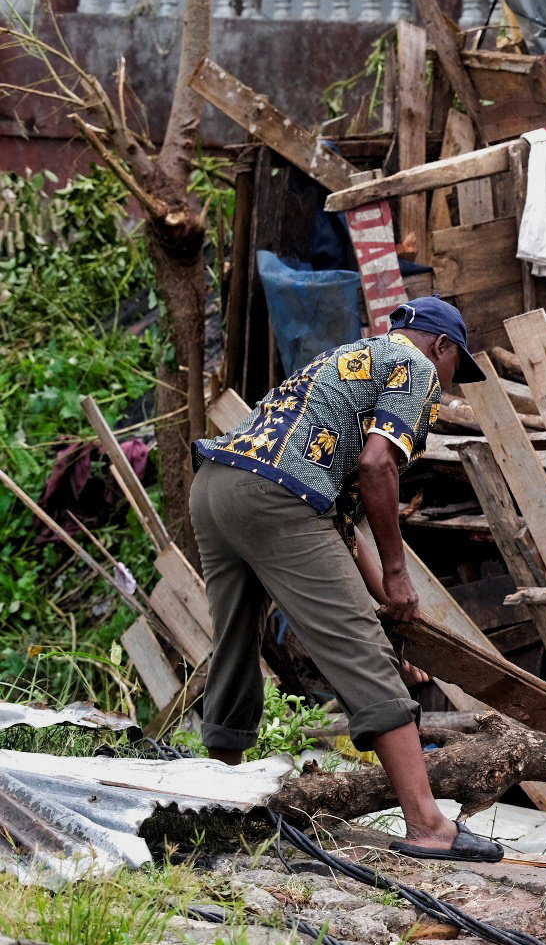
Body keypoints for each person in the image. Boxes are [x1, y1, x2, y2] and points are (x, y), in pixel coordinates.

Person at [190, 296, 502, 862]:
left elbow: (340, 524)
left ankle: (215, 805)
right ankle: (430, 826)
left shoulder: (345, 362)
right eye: (458, 369)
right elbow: (378, 465)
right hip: (275, 499)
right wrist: (399, 570)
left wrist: (391, 604)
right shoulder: (417, 366)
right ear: (444, 346)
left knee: (234, 647)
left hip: (215, 489)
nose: (451, 385)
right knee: (360, 654)